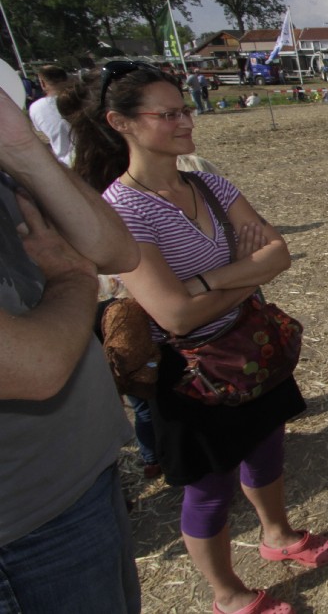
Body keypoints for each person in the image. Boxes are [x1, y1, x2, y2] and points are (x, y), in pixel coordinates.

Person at [61, 60, 328, 614]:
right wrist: (245, 272)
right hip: (190, 374)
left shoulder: (209, 183)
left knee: (266, 446)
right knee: (210, 487)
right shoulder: (122, 210)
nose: (186, 121)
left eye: (185, 109)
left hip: (250, 350)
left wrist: (206, 282)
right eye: (168, 114)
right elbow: (175, 318)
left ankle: (277, 534)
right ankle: (227, 593)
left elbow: (279, 254)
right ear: (121, 122)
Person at [0, 84, 142, 612]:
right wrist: (74, 279)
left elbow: (115, 249)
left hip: (82, 478)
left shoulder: (8, 172)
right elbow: (37, 368)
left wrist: (24, 150)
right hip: (23, 533)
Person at [28, 64, 76, 165]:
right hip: (100, 156)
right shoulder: (84, 98)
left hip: (68, 163)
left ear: (42, 83)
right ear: (66, 78)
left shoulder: (36, 108)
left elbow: (44, 135)